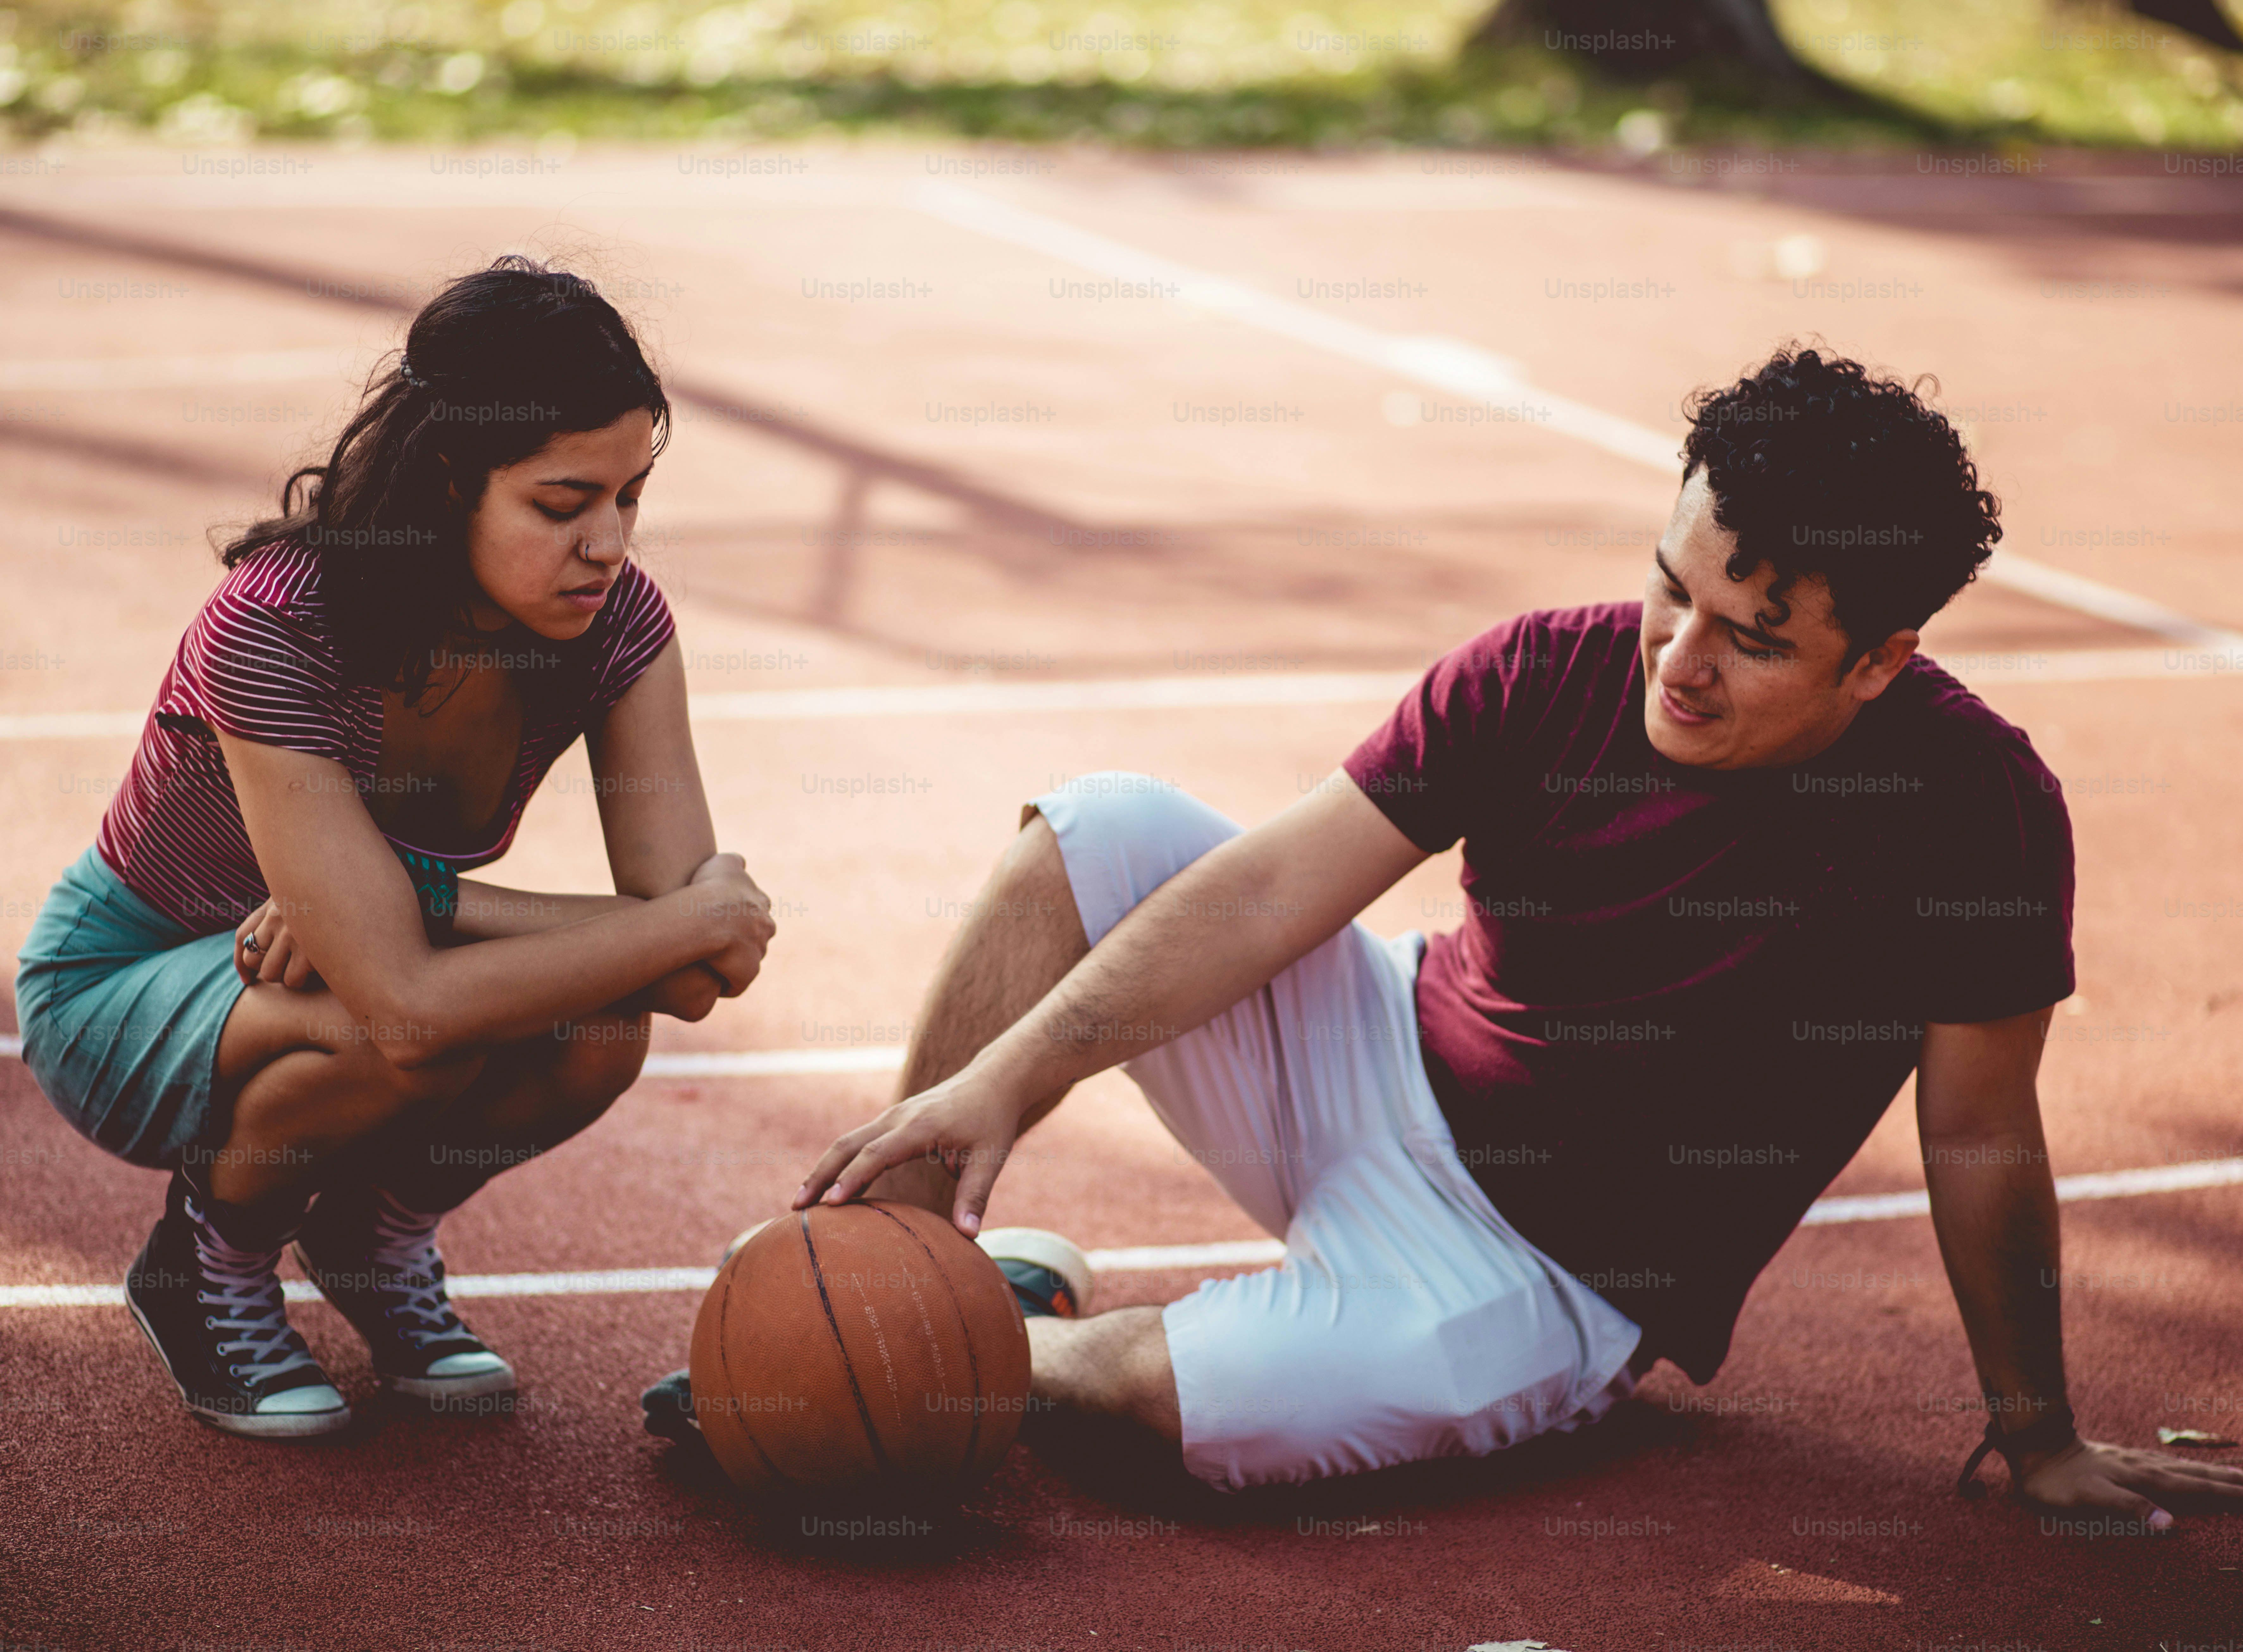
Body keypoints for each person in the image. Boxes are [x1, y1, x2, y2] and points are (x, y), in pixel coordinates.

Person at [653, 345, 2243, 1525]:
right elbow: (1277, 888)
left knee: (1193, 1412)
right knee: (1102, 823)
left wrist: (2035, 1432)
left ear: (1882, 662)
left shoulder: (1974, 807)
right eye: (1668, 589)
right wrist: (1005, 1079)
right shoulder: (1544, 673)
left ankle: (943, 1345)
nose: (1680, 661)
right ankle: (899, 1263)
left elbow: (1978, 1129)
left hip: (1544, 1278)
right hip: (1384, 1059)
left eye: (1755, 641)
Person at [16, 256, 774, 1438]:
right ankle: (203, 1268)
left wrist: (406, 901)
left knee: (604, 1028)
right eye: (561, 504)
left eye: (632, 496)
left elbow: (689, 977)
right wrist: (683, 915)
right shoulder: (279, 624)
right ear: (447, 480)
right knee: (405, 1034)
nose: (609, 544)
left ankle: (369, 1240)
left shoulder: (615, 620)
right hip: (124, 973)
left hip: (355, 964)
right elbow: (420, 1003)